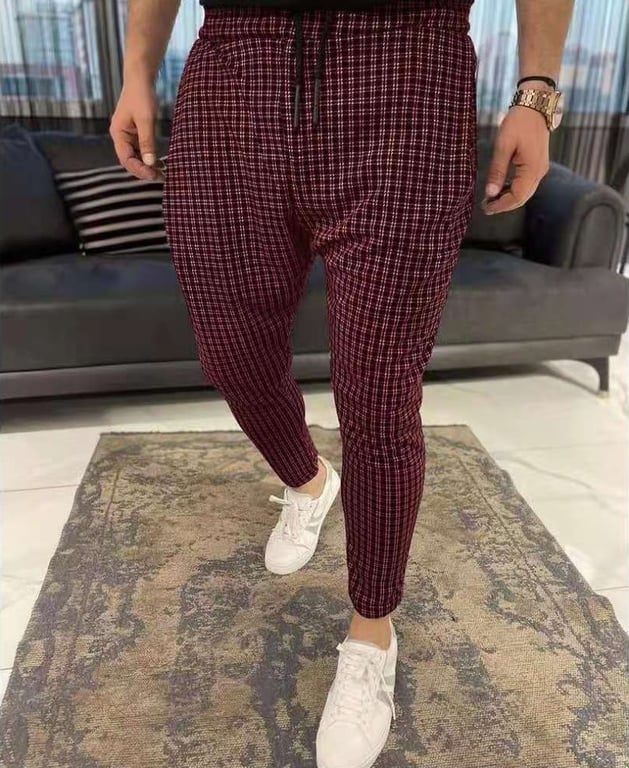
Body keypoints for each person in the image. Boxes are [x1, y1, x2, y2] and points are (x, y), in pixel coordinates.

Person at [111, 0, 572, 765]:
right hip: (231, 74)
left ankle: (370, 635)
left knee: (378, 398)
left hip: (407, 69)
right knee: (230, 356)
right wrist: (136, 73)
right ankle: (307, 480)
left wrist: (536, 92)